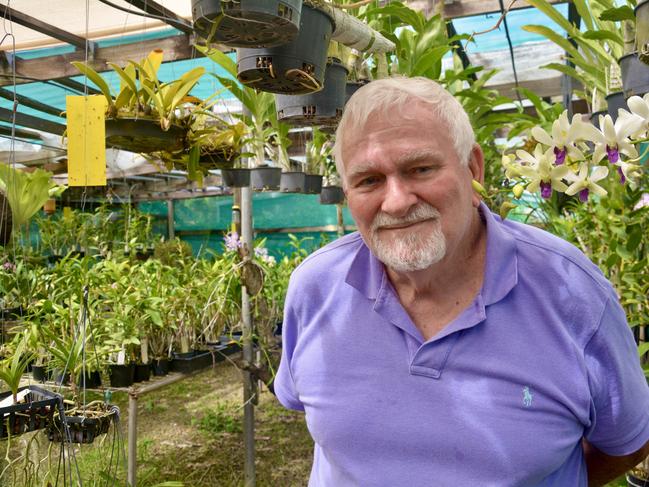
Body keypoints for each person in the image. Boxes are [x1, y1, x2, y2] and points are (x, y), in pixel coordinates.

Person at [273, 76, 649, 486]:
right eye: (369, 180)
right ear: (347, 194)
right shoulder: (316, 287)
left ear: (473, 169)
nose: (397, 202)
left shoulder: (571, 293)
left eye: (420, 168)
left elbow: (627, 443)